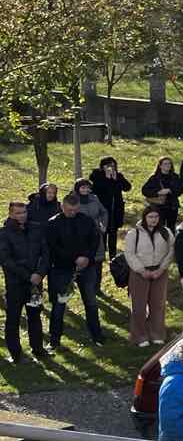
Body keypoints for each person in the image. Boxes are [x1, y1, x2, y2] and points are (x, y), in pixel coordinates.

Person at [46, 192, 104, 348]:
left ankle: (97, 336)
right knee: (59, 304)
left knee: (91, 302)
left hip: (86, 266)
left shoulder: (86, 220)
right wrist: (74, 258)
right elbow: (53, 247)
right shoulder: (53, 223)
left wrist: (87, 257)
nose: (72, 213)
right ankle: (54, 340)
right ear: (62, 207)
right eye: (69, 210)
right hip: (62, 268)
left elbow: (95, 239)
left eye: (75, 210)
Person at [1, 198, 47, 363]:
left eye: (24, 212)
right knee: (13, 318)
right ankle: (16, 354)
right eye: (18, 213)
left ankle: (38, 349)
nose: (22, 216)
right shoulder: (4, 234)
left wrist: (40, 274)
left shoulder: (36, 229)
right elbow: (6, 261)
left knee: (35, 316)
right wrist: (28, 276)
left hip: (35, 283)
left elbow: (45, 254)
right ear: (11, 214)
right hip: (15, 284)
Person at [124, 206, 174, 348]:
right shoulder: (134, 233)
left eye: (156, 217)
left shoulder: (166, 232)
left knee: (158, 304)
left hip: (159, 271)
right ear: (145, 218)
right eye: (150, 217)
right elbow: (129, 253)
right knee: (139, 306)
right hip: (139, 272)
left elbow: (171, 250)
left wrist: (162, 268)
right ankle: (139, 336)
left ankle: (157, 333)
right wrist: (141, 270)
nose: (153, 220)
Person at [89, 155, 132, 257]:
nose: (111, 168)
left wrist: (116, 179)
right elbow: (97, 190)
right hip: (102, 209)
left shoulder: (118, 176)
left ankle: (113, 256)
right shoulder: (96, 176)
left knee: (113, 232)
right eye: (108, 165)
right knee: (102, 232)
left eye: (113, 165)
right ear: (103, 166)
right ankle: (102, 254)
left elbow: (127, 187)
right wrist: (107, 179)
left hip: (115, 209)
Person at [140, 156, 183, 230]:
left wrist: (170, 190)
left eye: (169, 164)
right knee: (159, 228)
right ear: (160, 166)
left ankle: (170, 241)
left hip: (172, 206)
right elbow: (144, 191)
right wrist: (158, 192)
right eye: (165, 163)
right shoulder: (154, 178)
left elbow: (180, 191)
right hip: (158, 207)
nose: (168, 165)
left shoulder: (175, 177)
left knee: (171, 228)